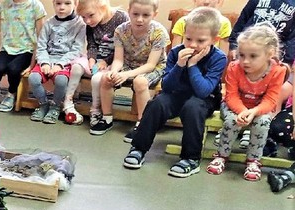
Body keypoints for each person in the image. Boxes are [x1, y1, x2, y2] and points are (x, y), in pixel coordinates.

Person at [122, 7, 227, 178]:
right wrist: (179, 65)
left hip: (205, 98)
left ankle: (191, 159)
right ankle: (138, 148)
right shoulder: (176, 52)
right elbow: (167, 86)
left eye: (201, 40)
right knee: (157, 103)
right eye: (188, 38)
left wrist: (192, 65)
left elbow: (203, 91)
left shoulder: (218, 58)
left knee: (192, 107)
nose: (193, 45)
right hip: (177, 94)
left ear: (215, 40)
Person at [207, 24, 287, 181]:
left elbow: (271, 99)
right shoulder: (234, 67)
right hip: (233, 106)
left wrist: (253, 112)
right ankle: (221, 155)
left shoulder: (278, 71)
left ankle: (253, 160)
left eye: (253, 56)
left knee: (262, 122)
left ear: (270, 53)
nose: (245, 61)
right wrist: (243, 111)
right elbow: (231, 96)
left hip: (260, 109)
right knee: (232, 120)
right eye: (242, 55)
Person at [91, 0, 169, 138]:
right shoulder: (121, 30)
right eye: (135, 14)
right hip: (128, 63)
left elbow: (151, 65)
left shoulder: (159, 32)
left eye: (146, 15)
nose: (139, 19)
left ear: (154, 14)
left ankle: (142, 124)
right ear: (129, 12)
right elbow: (118, 60)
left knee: (140, 82)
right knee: (106, 78)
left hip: (154, 66)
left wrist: (127, 75)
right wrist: (114, 71)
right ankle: (107, 118)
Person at [227, 0, 295, 148]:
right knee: (243, 89)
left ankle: (256, 132)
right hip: (249, 52)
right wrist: (233, 45)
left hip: (273, 58)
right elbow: (244, 18)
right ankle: (232, 126)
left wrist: (287, 61)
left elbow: (293, 36)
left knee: (271, 94)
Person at [64, 0, 128, 125]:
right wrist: (91, 60)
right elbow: (92, 44)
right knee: (76, 67)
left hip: (114, 61)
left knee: (96, 79)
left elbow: (124, 48)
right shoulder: (90, 24)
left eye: (90, 15)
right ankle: (68, 102)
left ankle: (95, 110)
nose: (87, 21)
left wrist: (105, 61)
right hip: (97, 59)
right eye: (83, 17)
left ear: (103, 7)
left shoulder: (120, 18)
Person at [27, 0, 87, 124]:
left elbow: (76, 50)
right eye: (58, 3)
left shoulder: (80, 25)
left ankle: (55, 106)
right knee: (33, 78)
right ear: (53, 4)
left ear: (75, 4)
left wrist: (60, 65)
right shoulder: (49, 23)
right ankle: (43, 104)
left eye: (67, 3)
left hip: (65, 62)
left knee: (61, 80)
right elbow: (41, 46)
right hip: (47, 59)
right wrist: (44, 62)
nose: (62, 7)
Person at [0, 0, 47, 112]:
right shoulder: (3, 5)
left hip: (27, 50)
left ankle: (11, 93)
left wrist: (32, 64)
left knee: (13, 69)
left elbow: (41, 36)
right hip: (7, 49)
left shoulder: (36, 5)